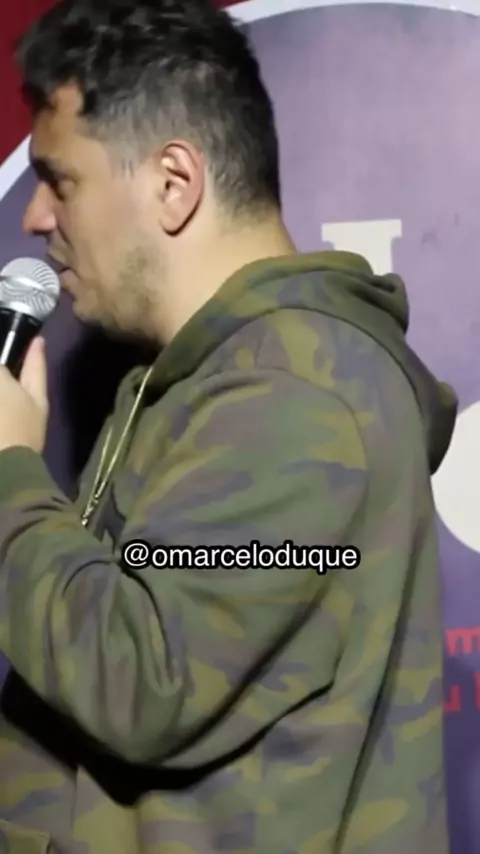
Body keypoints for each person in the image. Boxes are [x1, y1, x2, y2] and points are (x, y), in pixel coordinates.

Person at [0, 0, 456, 852]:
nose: (35, 217)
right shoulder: (202, 377)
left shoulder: (293, 393)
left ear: (173, 183)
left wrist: (7, 475)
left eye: (61, 181)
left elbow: (143, 678)